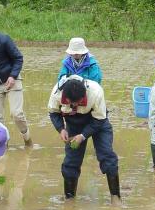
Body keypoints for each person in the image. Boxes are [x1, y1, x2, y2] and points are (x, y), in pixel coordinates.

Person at [48, 75, 120, 203]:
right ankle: (69, 201)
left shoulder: (95, 91)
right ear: (66, 97)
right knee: (71, 162)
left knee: (107, 156)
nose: (74, 105)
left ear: (84, 95)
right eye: (72, 103)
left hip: (98, 122)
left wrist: (83, 136)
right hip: (74, 124)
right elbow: (54, 112)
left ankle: (115, 198)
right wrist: (61, 129)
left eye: (78, 102)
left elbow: (100, 119)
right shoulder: (57, 94)